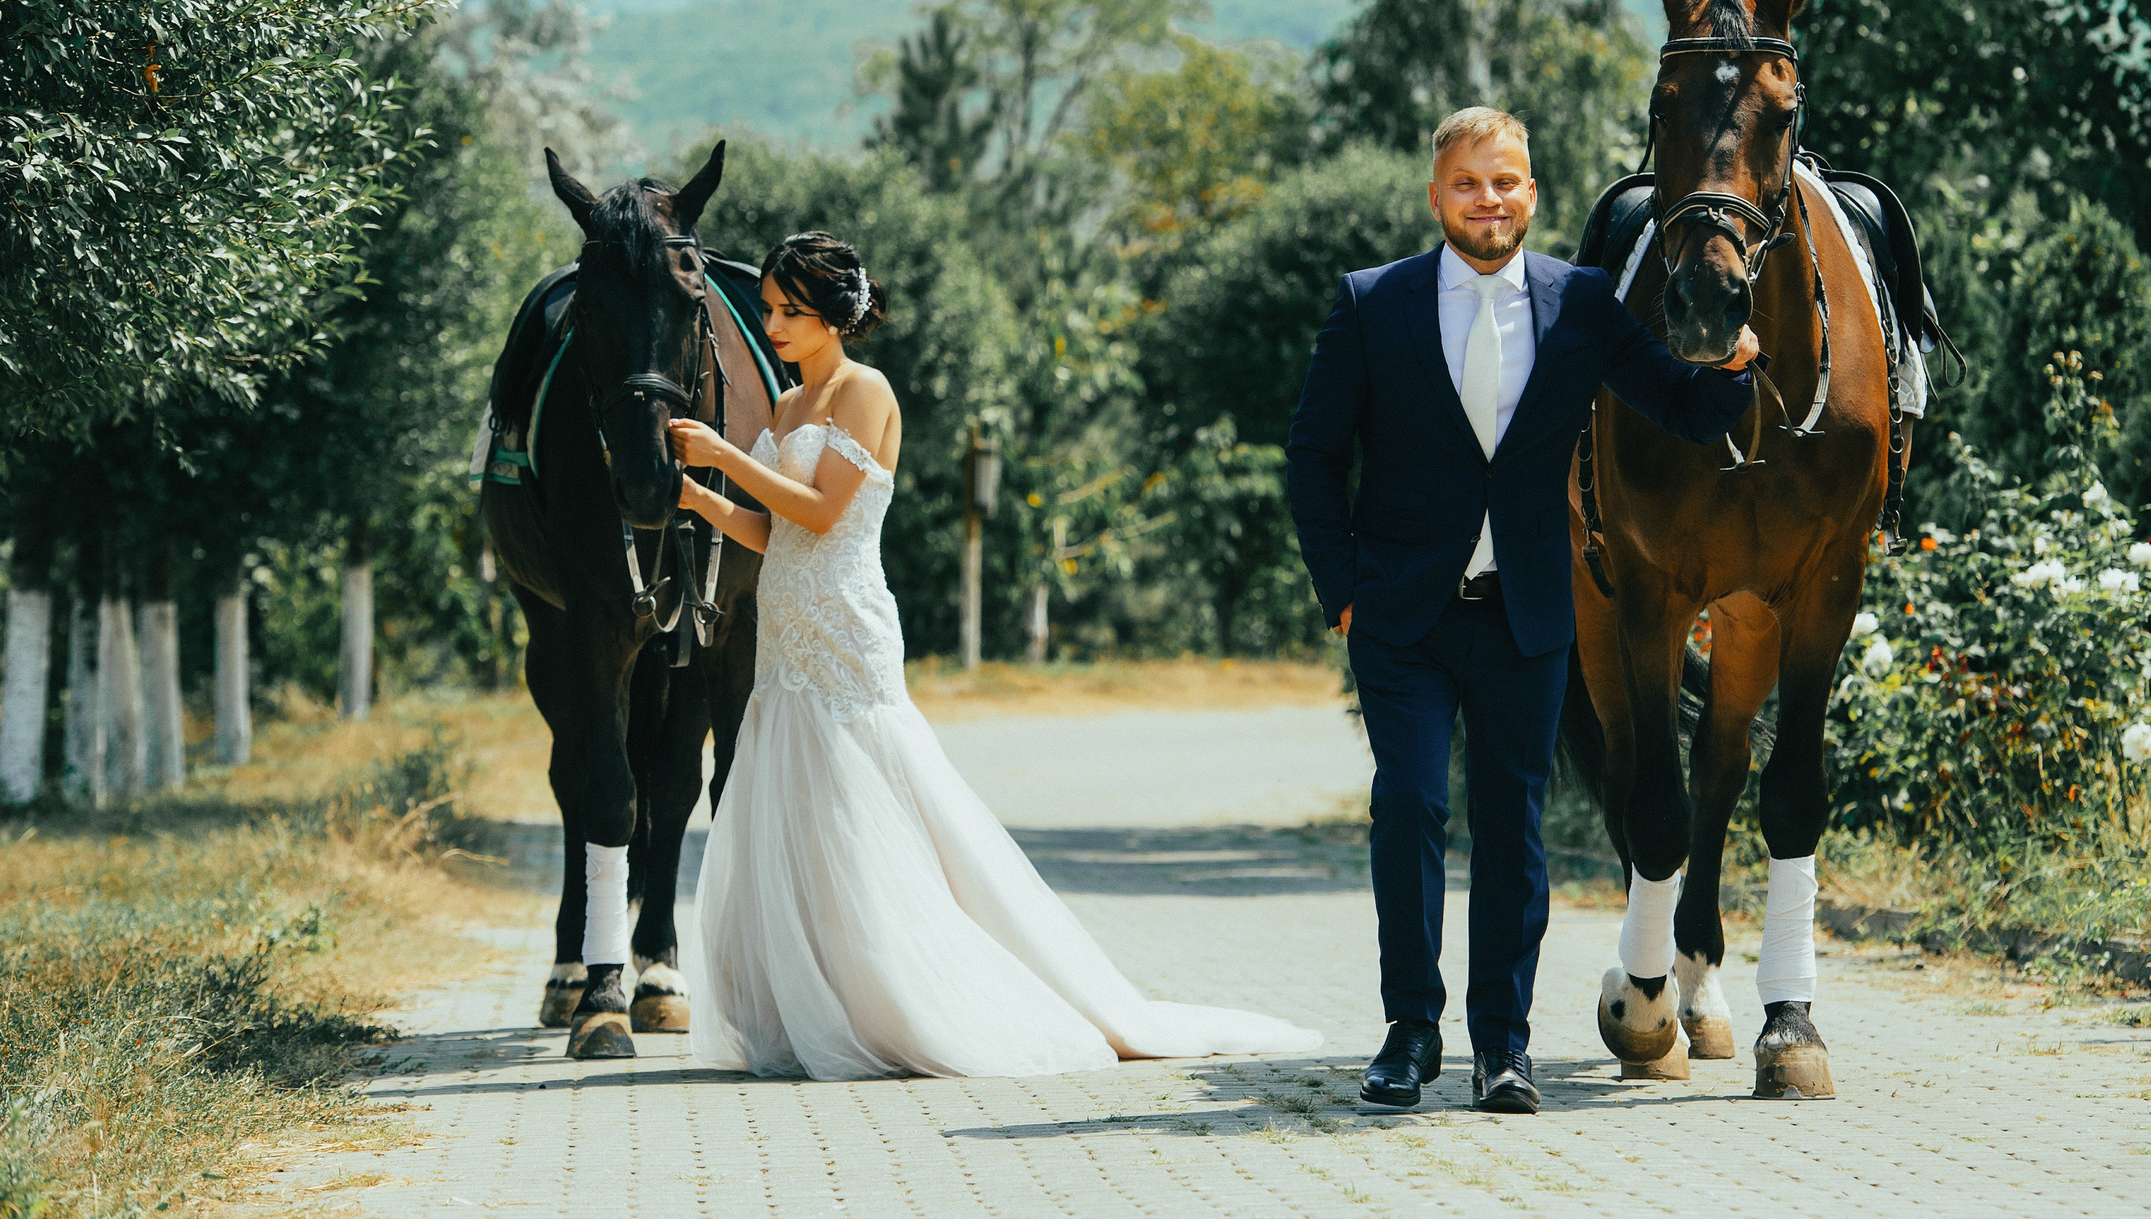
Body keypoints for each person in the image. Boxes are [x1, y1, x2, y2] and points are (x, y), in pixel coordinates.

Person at [669, 230, 1320, 1080]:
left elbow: (823, 512)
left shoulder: (865, 391)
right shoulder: (788, 406)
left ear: (835, 313)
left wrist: (725, 455)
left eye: (792, 310)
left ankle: (900, 997)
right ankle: (819, 999)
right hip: (785, 632)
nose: (775, 324)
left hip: (845, 629)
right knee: (793, 808)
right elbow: (771, 530)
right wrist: (696, 494)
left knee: (861, 807)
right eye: (769, 309)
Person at [1284, 108, 1761, 1114]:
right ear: (1436, 196)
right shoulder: (1372, 302)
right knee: (1410, 804)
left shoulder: (1578, 300)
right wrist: (1342, 588)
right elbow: (1314, 453)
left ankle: (1503, 1045)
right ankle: (1411, 1030)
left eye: (1504, 181)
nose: (1487, 200)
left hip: (1527, 613)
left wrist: (1733, 370)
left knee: (1513, 827)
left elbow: (1674, 402)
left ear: (1531, 193)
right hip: (1402, 616)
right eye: (1467, 183)